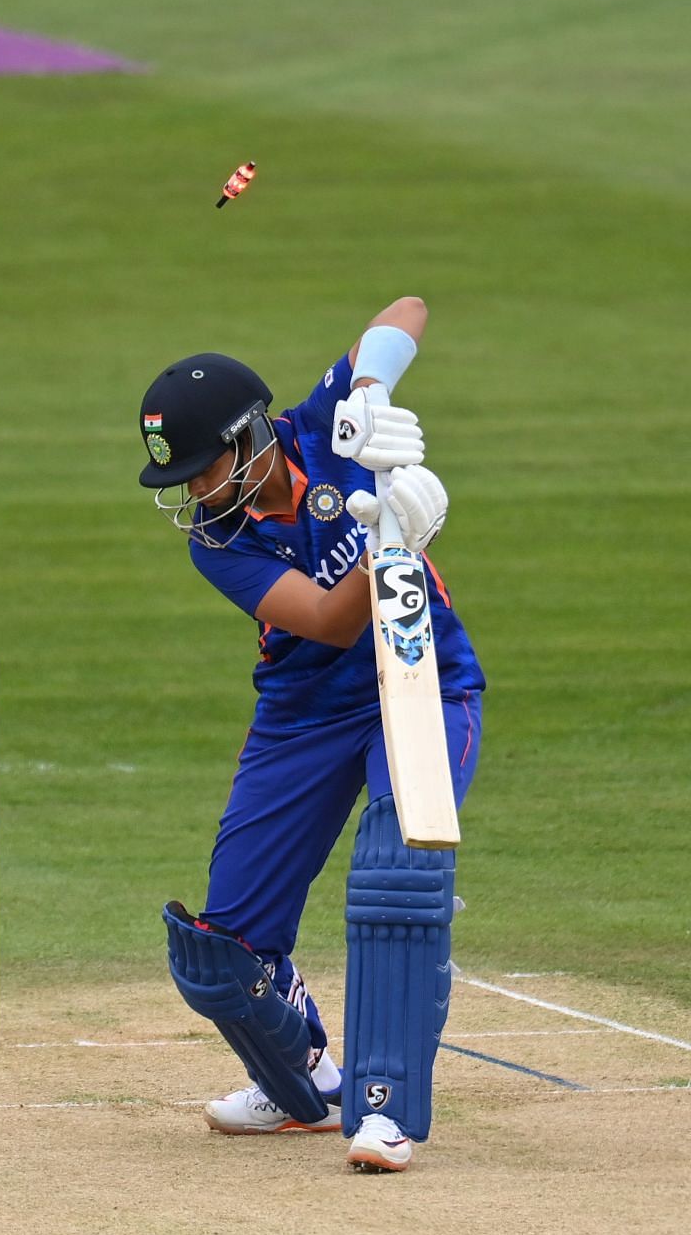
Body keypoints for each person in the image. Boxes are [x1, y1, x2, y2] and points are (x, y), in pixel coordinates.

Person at [138, 297, 485, 1173]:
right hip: (306, 708)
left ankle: (386, 1109)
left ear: (249, 437)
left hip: (418, 680)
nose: (193, 492)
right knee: (221, 952)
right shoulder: (217, 540)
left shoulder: (325, 423)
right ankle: (306, 1084)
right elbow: (330, 623)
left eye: (201, 470)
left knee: (396, 871)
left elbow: (407, 309)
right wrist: (395, 538)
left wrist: (369, 387)